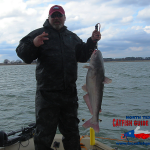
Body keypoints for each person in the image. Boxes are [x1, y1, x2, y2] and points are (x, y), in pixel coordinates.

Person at [16, 5, 101, 150]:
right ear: (48, 18)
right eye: (53, 15)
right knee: (44, 134)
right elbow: (23, 55)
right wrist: (34, 44)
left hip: (69, 95)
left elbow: (82, 56)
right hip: (47, 95)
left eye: (59, 15)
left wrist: (92, 41)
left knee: (72, 133)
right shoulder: (38, 33)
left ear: (64, 18)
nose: (56, 18)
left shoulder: (72, 37)